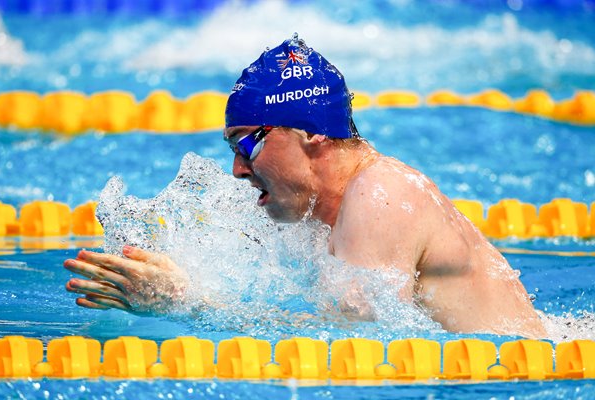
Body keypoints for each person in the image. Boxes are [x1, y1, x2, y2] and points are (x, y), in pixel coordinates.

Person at [64, 35, 546, 338]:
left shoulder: (381, 195)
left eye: (248, 144)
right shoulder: (322, 213)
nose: (236, 169)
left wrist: (184, 303)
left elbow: (358, 343)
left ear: (310, 132)